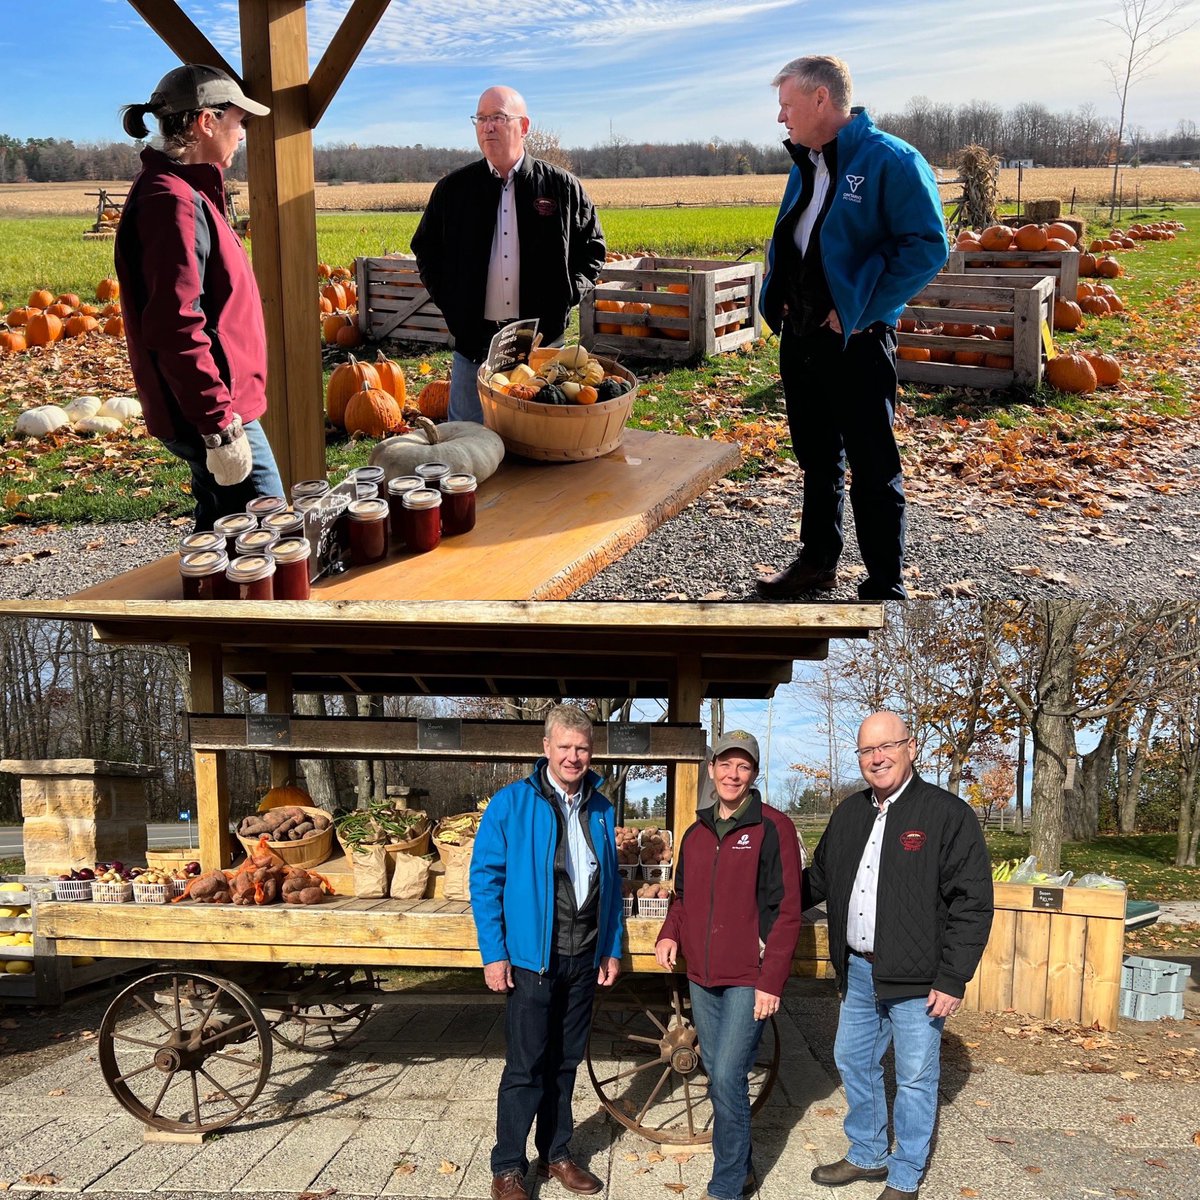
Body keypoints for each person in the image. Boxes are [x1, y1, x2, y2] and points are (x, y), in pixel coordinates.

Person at [756, 56, 947, 601]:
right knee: (817, 460)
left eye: (787, 105)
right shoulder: (805, 165)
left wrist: (862, 309)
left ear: (821, 100)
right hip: (803, 339)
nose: (780, 119)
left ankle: (886, 583)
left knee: (872, 464)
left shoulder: (890, 159)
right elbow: (798, 241)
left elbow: (927, 246)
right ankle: (817, 564)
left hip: (857, 342)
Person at [803, 711, 993, 1199]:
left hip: (919, 978)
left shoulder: (947, 815)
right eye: (867, 751)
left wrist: (953, 977)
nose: (877, 758)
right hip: (861, 972)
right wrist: (761, 896)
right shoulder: (849, 814)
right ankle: (867, 1152)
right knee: (853, 1060)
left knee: (914, 1076)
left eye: (886, 746)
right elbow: (817, 880)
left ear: (911, 748)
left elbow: (972, 902)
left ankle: (906, 1173)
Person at [115, 64, 285, 532]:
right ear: (205, 122)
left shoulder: (180, 190)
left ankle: (203, 603)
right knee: (268, 539)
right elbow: (175, 323)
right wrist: (218, 424)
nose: (243, 135)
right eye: (239, 122)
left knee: (223, 528)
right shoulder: (170, 201)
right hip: (215, 412)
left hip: (215, 405)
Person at [470, 704, 623, 1200]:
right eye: (565, 747)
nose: (574, 757)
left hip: (583, 959)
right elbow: (485, 880)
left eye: (582, 748)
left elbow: (611, 887)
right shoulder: (512, 804)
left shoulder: (600, 808)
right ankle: (507, 1167)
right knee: (526, 1066)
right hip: (533, 959)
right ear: (546, 748)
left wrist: (611, 947)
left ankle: (556, 1153)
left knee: (565, 1062)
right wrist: (494, 954)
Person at [654, 731, 803, 1200]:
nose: (732, 774)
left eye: (743, 766)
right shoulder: (695, 834)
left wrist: (771, 980)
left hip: (747, 977)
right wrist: (668, 933)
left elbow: (787, 910)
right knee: (720, 1074)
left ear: (754, 774)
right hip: (702, 975)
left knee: (729, 1075)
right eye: (724, 764)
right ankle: (741, 1167)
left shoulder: (773, 828)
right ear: (712, 769)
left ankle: (726, 1187)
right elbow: (681, 898)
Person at [411, 86, 606, 423]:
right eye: (481, 118)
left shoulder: (561, 187)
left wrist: (566, 293)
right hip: (475, 347)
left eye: (498, 118)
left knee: (542, 445)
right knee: (468, 448)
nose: (487, 126)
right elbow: (426, 249)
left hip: (543, 350)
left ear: (524, 126)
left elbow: (593, 248)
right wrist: (452, 301)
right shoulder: (454, 190)